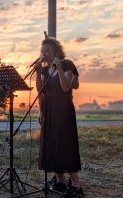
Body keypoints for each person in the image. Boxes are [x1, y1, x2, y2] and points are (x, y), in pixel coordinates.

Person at [34, 37, 84, 197]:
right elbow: (40, 91)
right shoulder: (44, 70)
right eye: (42, 51)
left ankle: (76, 183)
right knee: (52, 144)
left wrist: (60, 68)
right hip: (49, 111)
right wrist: (41, 112)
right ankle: (60, 181)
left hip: (64, 111)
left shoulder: (67, 64)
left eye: (46, 51)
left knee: (65, 144)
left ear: (55, 51)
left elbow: (66, 87)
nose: (44, 54)